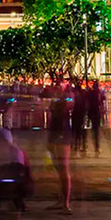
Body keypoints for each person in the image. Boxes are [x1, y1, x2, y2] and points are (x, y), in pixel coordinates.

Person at [0, 128, 32, 213]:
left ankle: (18, 201)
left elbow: (21, 170)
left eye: (2, 141)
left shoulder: (17, 153)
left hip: (16, 185)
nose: (0, 144)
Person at [47, 83, 73, 213]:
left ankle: (66, 203)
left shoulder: (64, 100)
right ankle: (61, 200)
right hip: (55, 135)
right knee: (58, 168)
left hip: (62, 135)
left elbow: (62, 114)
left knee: (63, 169)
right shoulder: (56, 100)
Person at [86, 81, 104, 155]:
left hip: (92, 113)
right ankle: (96, 146)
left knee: (94, 130)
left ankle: (92, 145)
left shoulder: (92, 94)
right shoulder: (97, 94)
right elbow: (100, 104)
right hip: (95, 113)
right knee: (96, 131)